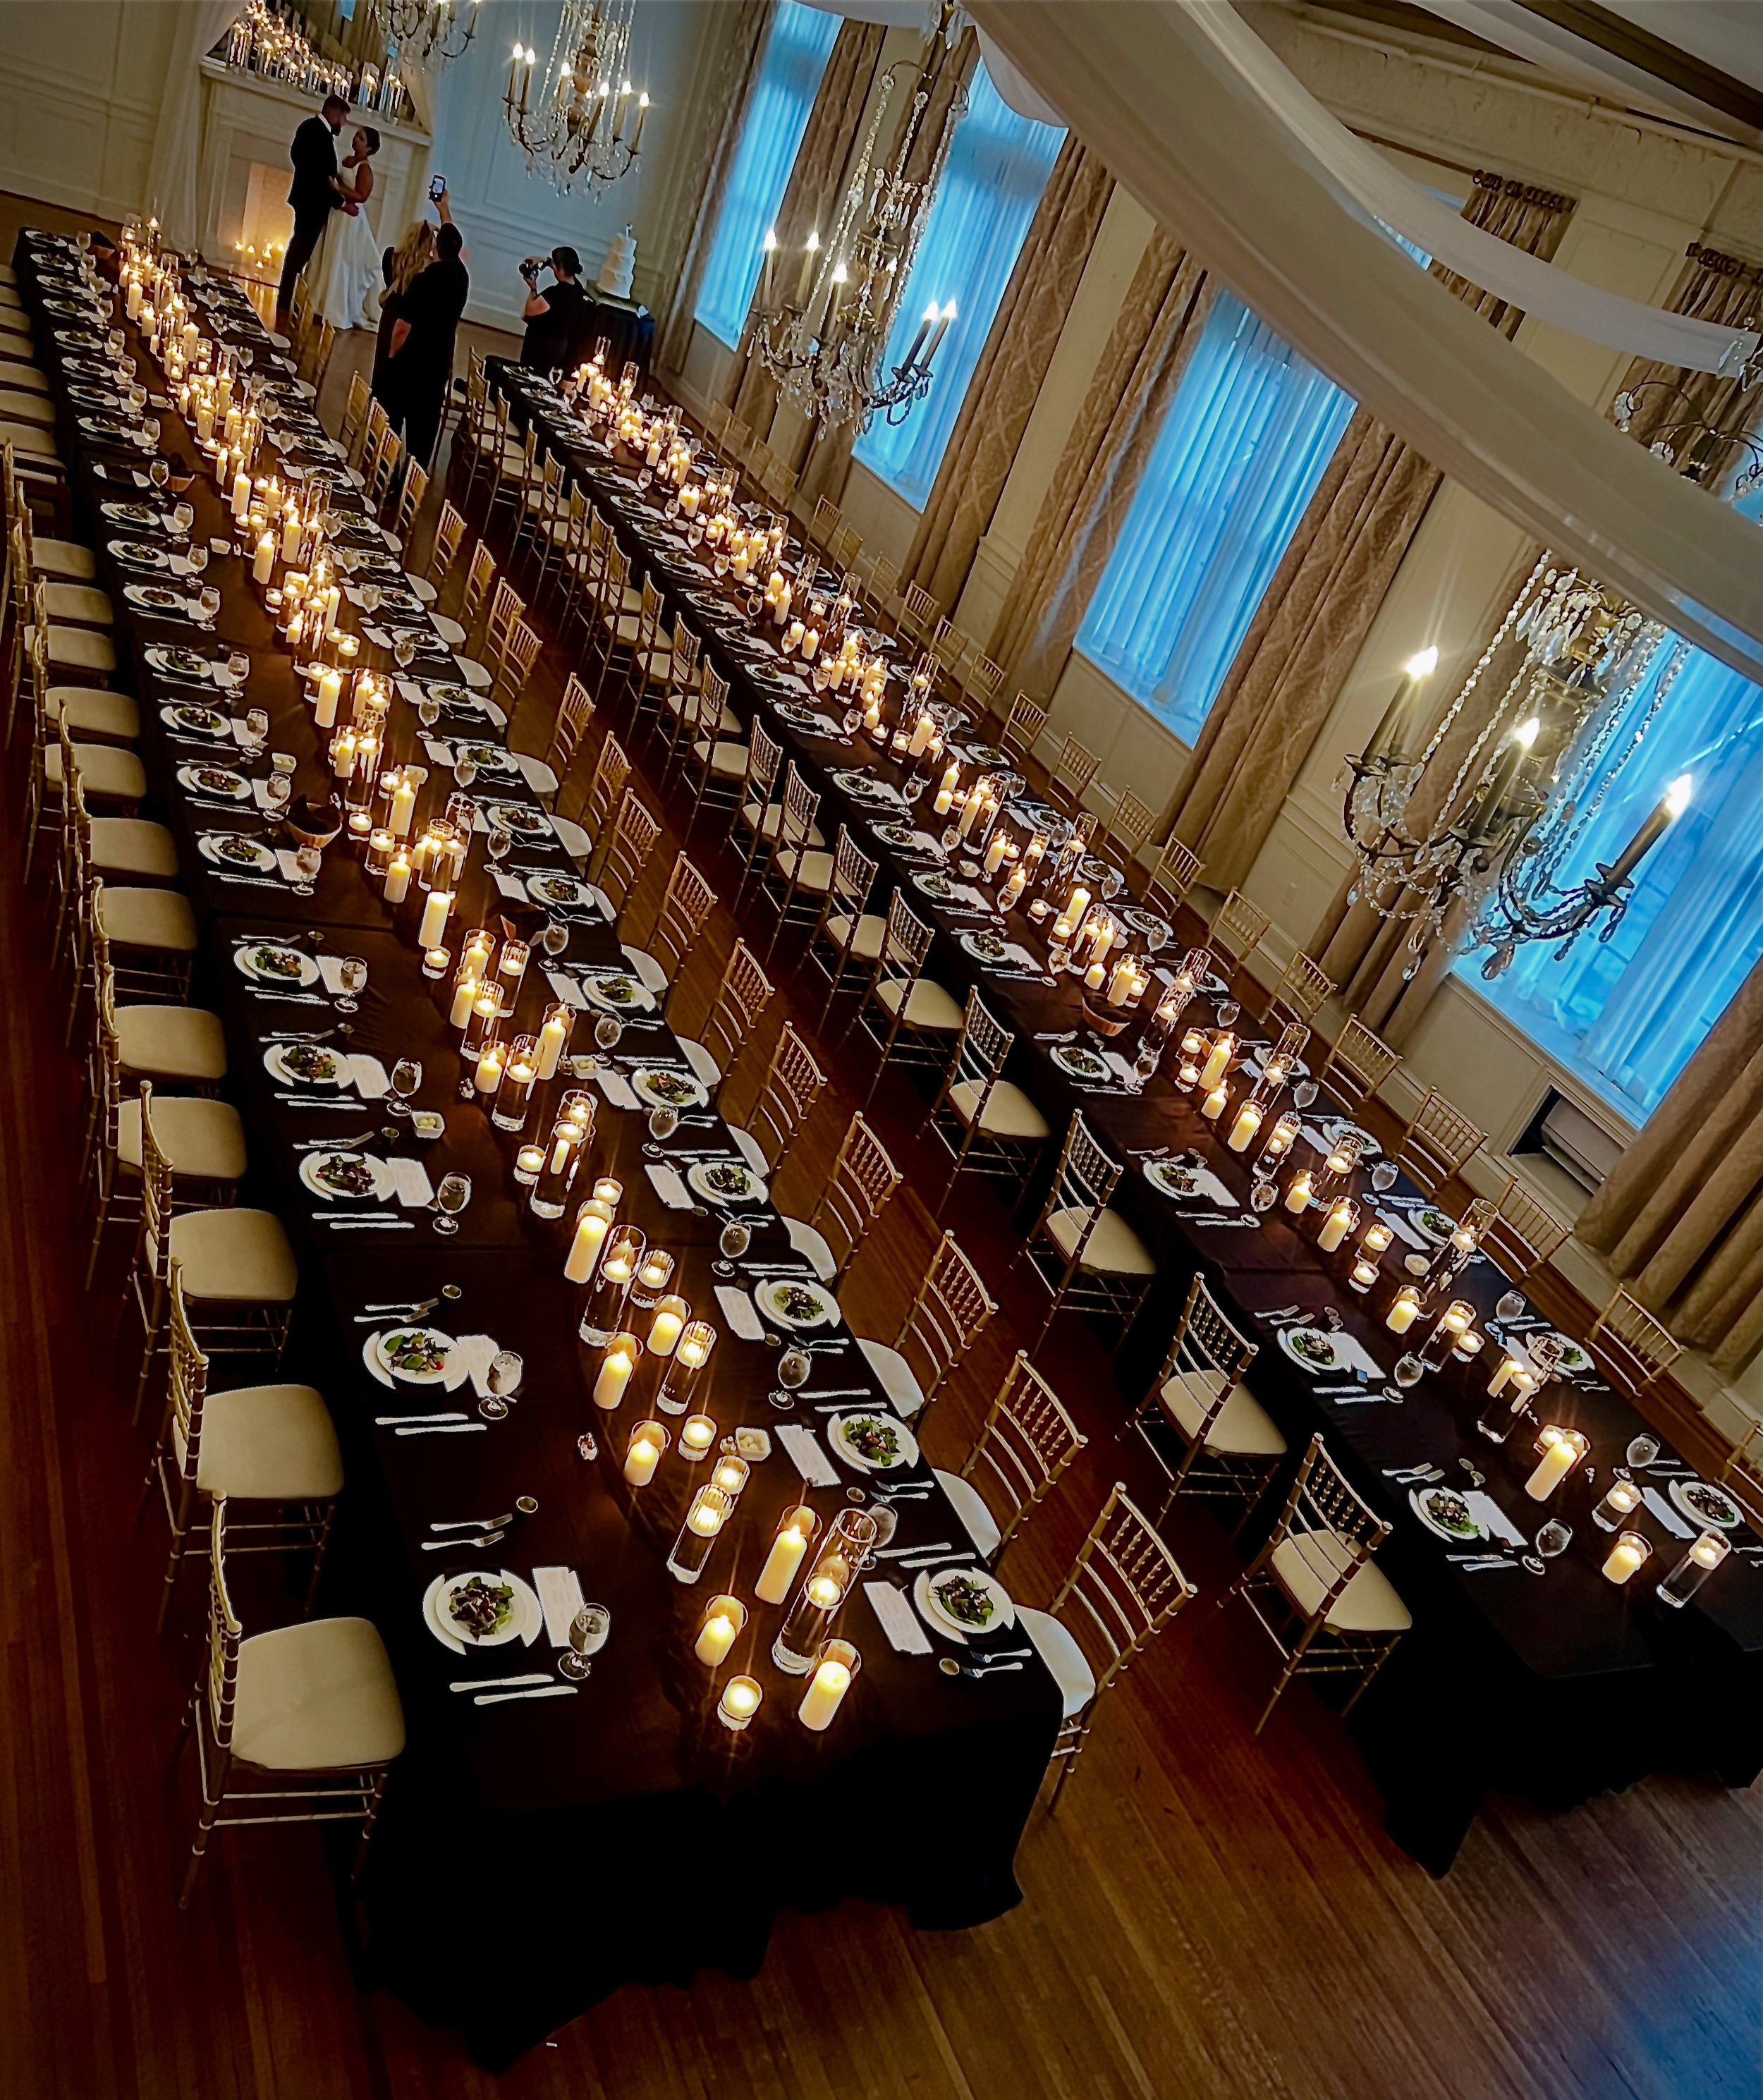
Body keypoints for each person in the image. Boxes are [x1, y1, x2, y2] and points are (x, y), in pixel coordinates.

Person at [384, 221, 468, 469]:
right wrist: (445, 210)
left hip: (413, 360)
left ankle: (388, 472)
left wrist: (391, 357)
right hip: (440, 361)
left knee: (396, 417)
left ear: (435, 247)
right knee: (425, 426)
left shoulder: (423, 281)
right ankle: (413, 478)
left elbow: (402, 328)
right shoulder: (462, 278)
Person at [373, 180, 453, 402]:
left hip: (389, 319)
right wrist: (444, 212)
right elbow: (450, 257)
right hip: (408, 328)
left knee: (380, 372)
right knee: (396, 378)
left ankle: (374, 419)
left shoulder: (390, 257)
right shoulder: (428, 273)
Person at [276, 92, 349, 333]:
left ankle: (288, 301)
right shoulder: (317, 132)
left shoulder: (309, 127)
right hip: (312, 203)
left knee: (300, 253)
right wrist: (340, 201)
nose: (343, 124)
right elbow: (318, 175)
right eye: (343, 118)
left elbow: (300, 159)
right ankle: (286, 303)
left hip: (307, 200)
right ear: (335, 113)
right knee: (299, 253)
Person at [305, 126, 382, 332]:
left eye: (361, 138)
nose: (356, 139)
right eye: (357, 135)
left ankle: (335, 308)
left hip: (351, 218)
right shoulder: (348, 160)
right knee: (327, 255)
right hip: (337, 212)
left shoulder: (365, 169)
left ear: (370, 147)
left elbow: (362, 196)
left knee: (341, 259)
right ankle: (319, 303)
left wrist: (338, 188)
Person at [519, 247, 590, 373]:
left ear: (558, 268)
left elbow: (529, 312)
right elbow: (561, 269)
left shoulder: (555, 294)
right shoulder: (580, 292)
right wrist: (545, 261)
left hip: (542, 353)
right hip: (563, 355)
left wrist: (533, 289)